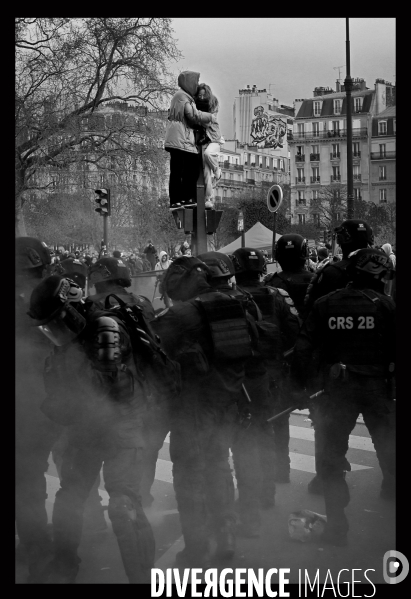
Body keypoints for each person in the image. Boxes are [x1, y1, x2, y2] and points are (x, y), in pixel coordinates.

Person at [27, 275, 158, 583]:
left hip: (120, 424)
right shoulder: (67, 339)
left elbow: (110, 387)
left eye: (57, 321)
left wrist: (69, 386)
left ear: (72, 307)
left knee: (123, 504)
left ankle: (142, 579)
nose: (54, 330)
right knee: (69, 496)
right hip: (86, 426)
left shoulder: (106, 329)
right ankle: (64, 565)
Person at [151, 256, 254, 565]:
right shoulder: (236, 305)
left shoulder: (181, 313)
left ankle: (196, 547)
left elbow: (151, 347)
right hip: (228, 401)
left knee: (188, 474)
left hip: (193, 407)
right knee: (219, 464)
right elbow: (256, 345)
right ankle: (226, 533)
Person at [291, 248, 396, 546]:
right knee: (390, 449)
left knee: (330, 460)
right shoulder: (387, 306)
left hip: (336, 392)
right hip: (378, 389)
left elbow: (303, 349)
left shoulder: (326, 304)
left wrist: (301, 389)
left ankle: (337, 526)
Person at [303, 219, 374, 494]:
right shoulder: (384, 270)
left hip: (335, 365)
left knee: (328, 426)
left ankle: (327, 478)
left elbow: (311, 316)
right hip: (376, 363)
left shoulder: (330, 273)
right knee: (384, 429)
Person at [230, 248, 300, 513]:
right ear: (261, 268)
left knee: (244, 436)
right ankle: (273, 485)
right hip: (273, 372)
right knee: (272, 427)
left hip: (243, 378)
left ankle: (250, 494)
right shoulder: (278, 295)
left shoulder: (230, 299)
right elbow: (295, 333)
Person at [15, 237, 63, 583]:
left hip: (30, 409)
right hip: (59, 404)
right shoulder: (60, 300)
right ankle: (63, 546)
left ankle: (39, 555)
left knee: (28, 484)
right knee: (73, 475)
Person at [262, 234, 314, 482]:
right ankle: (327, 474)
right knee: (329, 418)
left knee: (279, 416)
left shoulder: (270, 283)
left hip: (284, 359)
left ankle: (281, 469)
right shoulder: (319, 280)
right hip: (315, 356)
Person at [164, 71, 217, 209]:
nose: (197, 85)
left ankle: (187, 198)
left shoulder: (185, 96)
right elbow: (193, 115)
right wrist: (210, 117)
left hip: (183, 139)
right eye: (195, 82)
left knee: (190, 168)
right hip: (179, 138)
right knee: (178, 170)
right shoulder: (182, 97)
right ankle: (177, 200)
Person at [194, 83, 223, 209]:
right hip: (204, 141)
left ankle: (218, 171)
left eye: (203, 95)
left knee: (207, 155)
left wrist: (198, 115)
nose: (201, 98)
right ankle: (208, 199)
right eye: (199, 95)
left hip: (214, 139)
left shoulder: (213, 106)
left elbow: (208, 121)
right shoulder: (198, 107)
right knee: (206, 173)